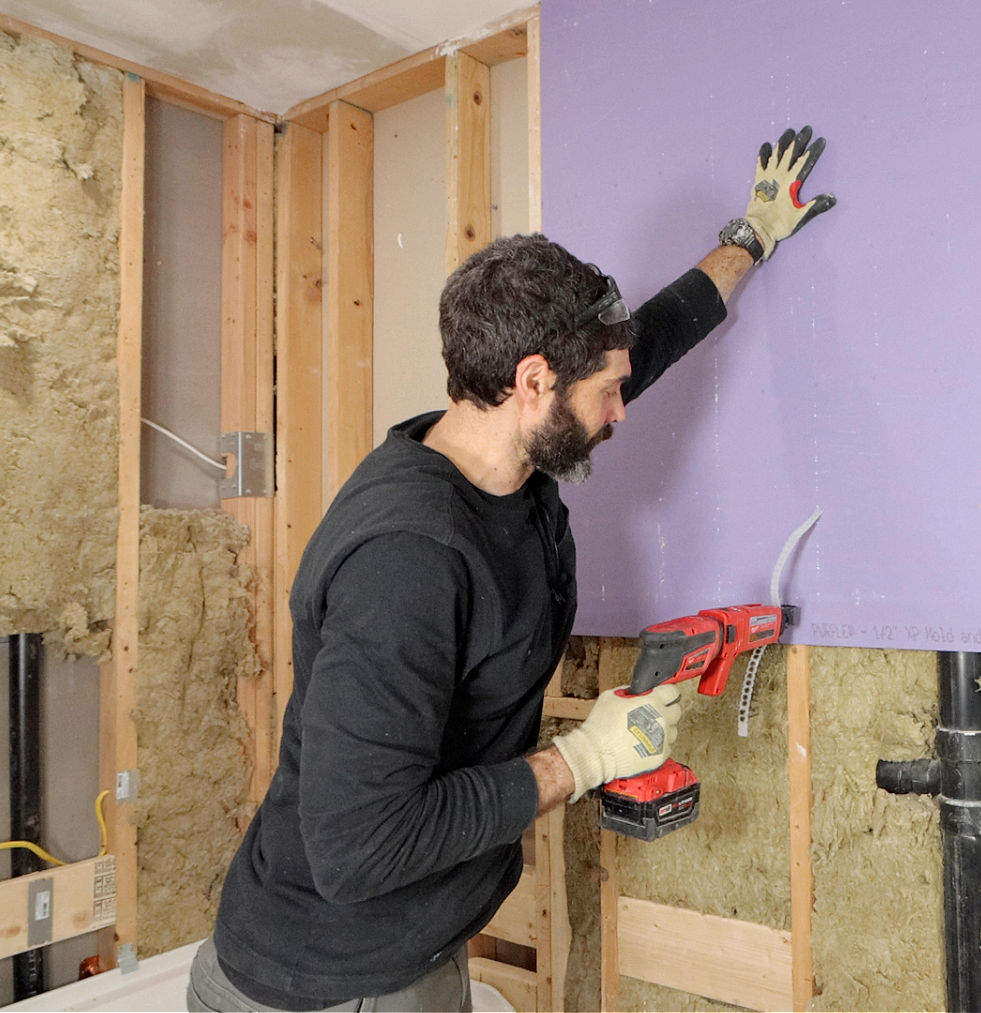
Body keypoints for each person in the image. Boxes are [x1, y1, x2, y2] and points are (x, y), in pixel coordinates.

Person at [186, 127, 836, 1012]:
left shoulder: (513, 442)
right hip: (329, 981)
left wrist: (754, 235)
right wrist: (582, 757)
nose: (622, 410)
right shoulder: (407, 562)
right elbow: (359, 847)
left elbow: (656, 334)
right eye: (606, 391)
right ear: (533, 379)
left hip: (409, 948)